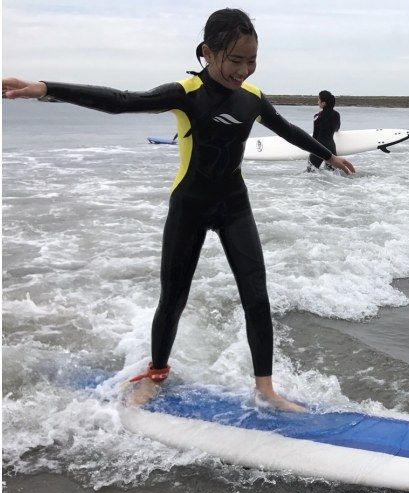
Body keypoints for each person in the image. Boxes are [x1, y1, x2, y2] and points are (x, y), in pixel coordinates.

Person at [2, 8, 355, 412]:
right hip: (189, 205)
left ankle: (266, 390)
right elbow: (120, 102)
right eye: (235, 59)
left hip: (234, 205)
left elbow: (288, 130)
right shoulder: (186, 93)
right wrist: (46, 88)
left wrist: (328, 155)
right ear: (208, 51)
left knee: (256, 296)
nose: (244, 70)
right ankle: (155, 374)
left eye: (252, 60)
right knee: (174, 296)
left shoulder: (253, 99)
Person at [307, 90, 340, 171]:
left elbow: (315, 136)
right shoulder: (336, 115)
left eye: (319, 100)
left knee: (310, 172)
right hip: (331, 147)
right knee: (333, 174)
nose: (317, 102)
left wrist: (310, 149)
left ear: (323, 103)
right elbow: (337, 128)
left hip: (319, 147)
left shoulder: (318, 116)